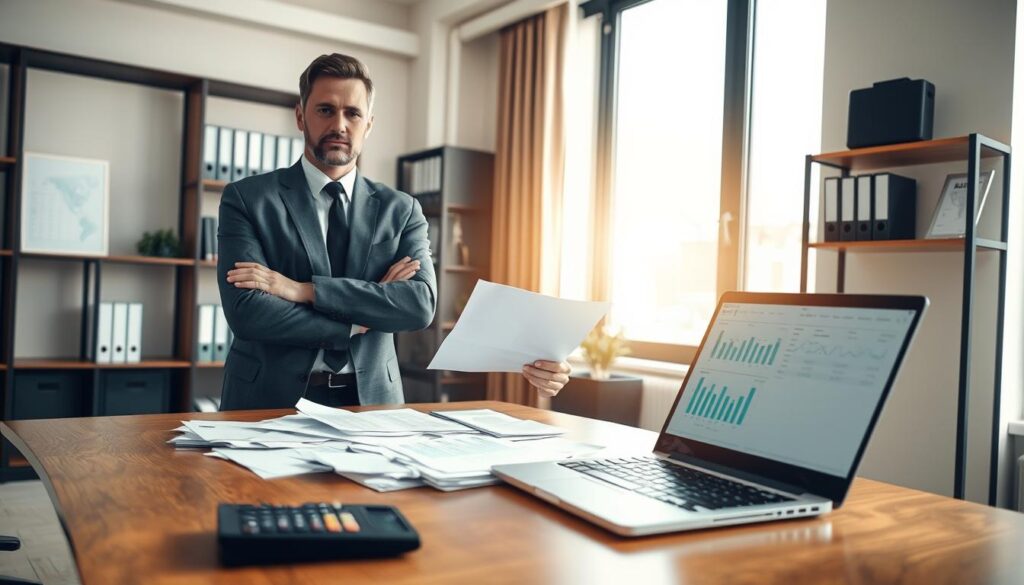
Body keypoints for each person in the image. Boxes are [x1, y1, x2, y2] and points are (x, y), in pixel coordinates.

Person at [217, 52, 570, 410]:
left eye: (353, 113)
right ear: (300, 116)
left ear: (368, 124)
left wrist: (301, 290)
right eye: (326, 110)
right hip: (267, 400)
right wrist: (360, 320)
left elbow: (418, 306)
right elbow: (249, 314)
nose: (340, 125)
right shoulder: (248, 199)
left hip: (371, 402)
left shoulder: (401, 210)